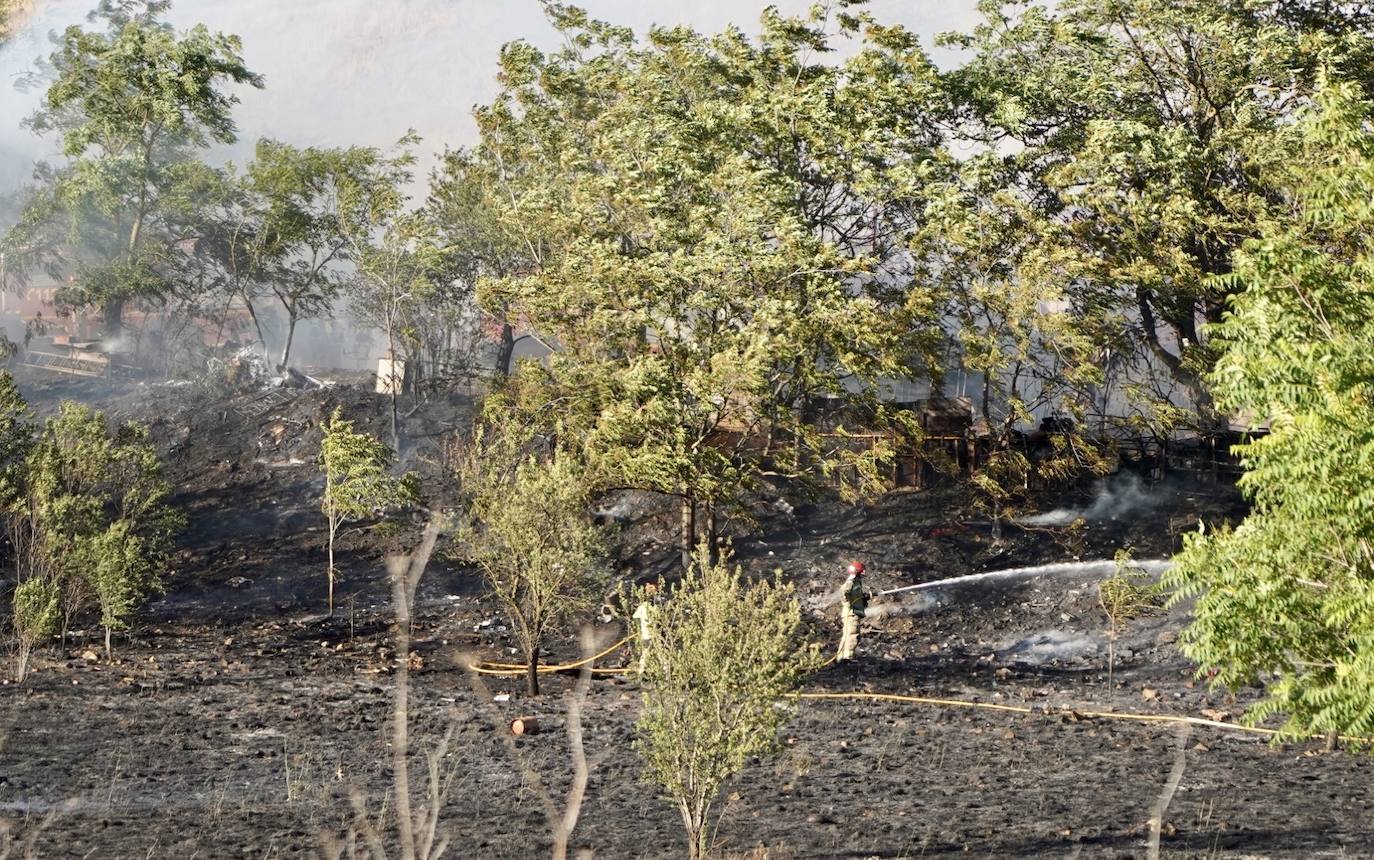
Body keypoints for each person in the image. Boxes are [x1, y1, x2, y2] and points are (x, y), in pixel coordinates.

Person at [837, 561, 870, 662]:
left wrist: (864, 597)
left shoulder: (855, 581)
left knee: (847, 635)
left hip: (851, 613)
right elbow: (843, 593)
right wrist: (848, 604)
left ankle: (841, 658)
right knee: (852, 635)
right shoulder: (852, 581)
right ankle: (847, 658)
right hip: (851, 614)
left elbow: (854, 596)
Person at [632, 583, 658, 672]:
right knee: (652, 653)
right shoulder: (645, 607)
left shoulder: (646, 606)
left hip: (650, 635)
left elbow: (635, 618)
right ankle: (642, 671)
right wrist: (640, 629)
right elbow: (635, 618)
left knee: (647, 653)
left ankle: (642, 670)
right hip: (649, 635)